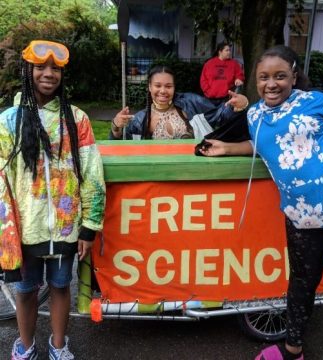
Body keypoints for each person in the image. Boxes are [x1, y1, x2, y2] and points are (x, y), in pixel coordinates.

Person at [200, 45, 323, 360]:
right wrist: (226, 149)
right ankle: (292, 351)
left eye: (280, 76)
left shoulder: (315, 101)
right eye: (264, 77)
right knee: (301, 283)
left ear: (293, 76)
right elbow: (259, 144)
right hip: (301, 215)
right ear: (255, 81)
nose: (271, 84)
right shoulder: (256, 115)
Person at [0, 40, 106, 359]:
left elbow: (92, 174)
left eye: (56, 68)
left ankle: (59, 347)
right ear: (27, 70)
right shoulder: (8, 121)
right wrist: (6, 234)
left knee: (61, 287)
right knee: (26, 289)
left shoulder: (77, 119)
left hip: (65, 227)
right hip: (25, 229)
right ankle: (26, 347)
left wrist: (88, 226)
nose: (49, 74)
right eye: (41, 67)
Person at [110, 65, 249, 140]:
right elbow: (122, 144)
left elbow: (220, 117)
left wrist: (238, 106)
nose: (163, 91)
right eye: (158, 86)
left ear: (174, 87)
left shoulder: (191, 103)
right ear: (149, 87)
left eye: (168, 86)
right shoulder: (140, 120)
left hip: (194, 173)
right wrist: (116, 126)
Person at [200, 41, 245, 106]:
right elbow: (203, 80)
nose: (229, 52)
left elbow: (240, 75)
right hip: (210, 98)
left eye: (229, 50)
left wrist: (238, 79)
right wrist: (209, 92)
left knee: (225, 116)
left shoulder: (234, 64)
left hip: (226, 98)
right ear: (220, 52)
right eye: (227, 50)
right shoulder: (209, 64)